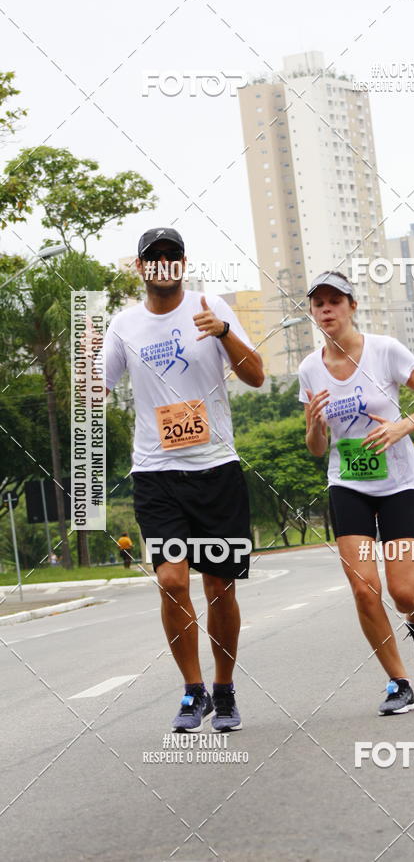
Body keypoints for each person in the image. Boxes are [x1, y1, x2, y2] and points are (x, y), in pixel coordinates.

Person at [101, 227, 264, 732]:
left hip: (215, 468)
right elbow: (94, 390)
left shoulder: (210, 307)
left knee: (220, 587)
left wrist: (223, 332)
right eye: (155, 257)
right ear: (141, 267)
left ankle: (225, 688)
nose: (164, 264)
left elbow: (256, 374)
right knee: (172, 581)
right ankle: (193, 692)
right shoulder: (123, 324)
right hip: (156, 472)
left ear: (183, 263)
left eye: (173, 256)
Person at [299, 271, 414, 716]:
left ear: (351, 306)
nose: (326, 309)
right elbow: (316, 448)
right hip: (347, 483)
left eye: (334, 301)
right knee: (365, 589)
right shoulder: (310, 368)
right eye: (318, 303)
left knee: (402, 592)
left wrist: (403, 425)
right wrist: (313, 427)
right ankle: (398, 682)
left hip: (400, 483)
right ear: (312, 312)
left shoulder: (385, 350)